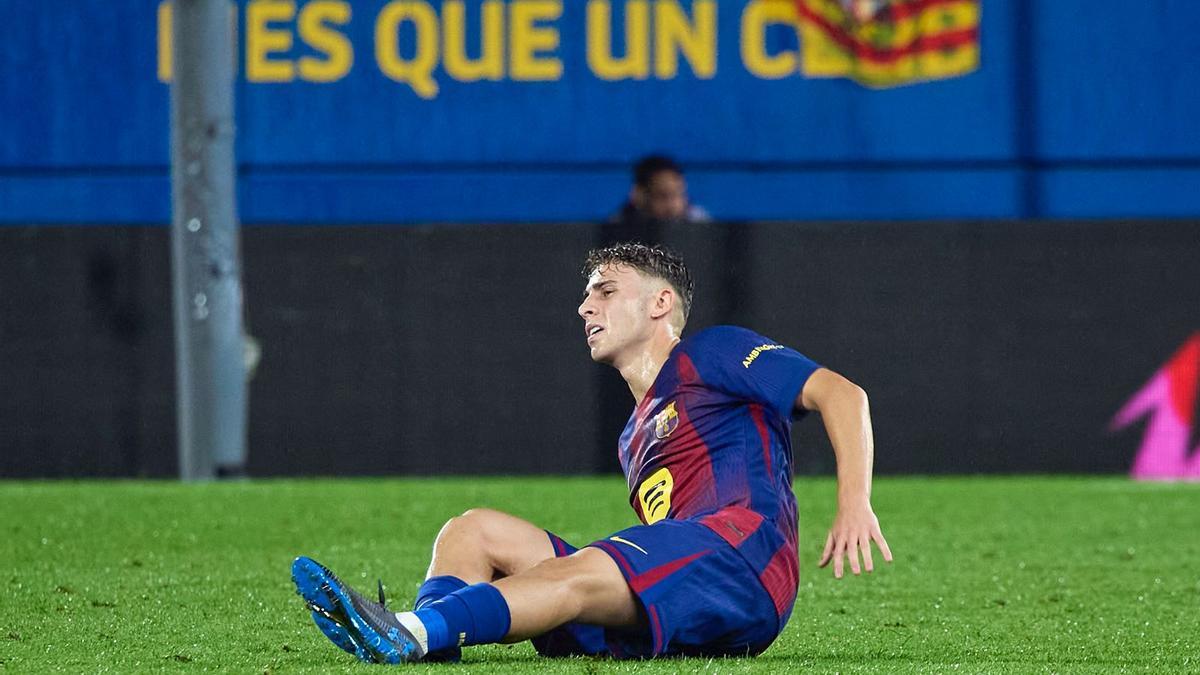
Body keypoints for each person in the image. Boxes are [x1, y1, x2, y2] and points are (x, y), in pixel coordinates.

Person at [291, 243, 892, 664]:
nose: (585, 307)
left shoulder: (710, 353)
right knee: (472, 531)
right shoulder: (634, 435)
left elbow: (843, 393)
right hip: (687, 585)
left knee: (578, 572)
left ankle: (412, 633)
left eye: (605, 291)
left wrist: (854, 502)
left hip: (742, 558)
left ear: (659, 304)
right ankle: (433, 643)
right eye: (586, 297)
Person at [607, 155, 710, 236]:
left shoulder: (701, 225)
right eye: (662, 196)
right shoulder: (617, 229)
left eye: (678, 195)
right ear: (639, 195)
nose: (672, 206)